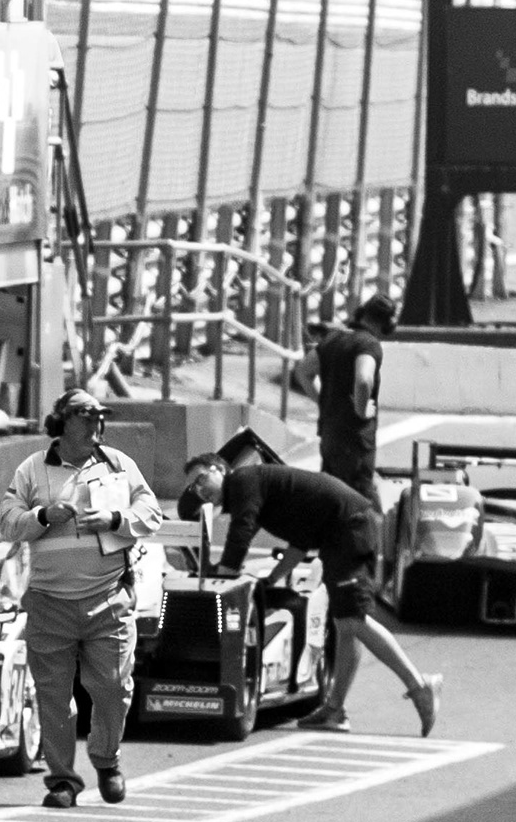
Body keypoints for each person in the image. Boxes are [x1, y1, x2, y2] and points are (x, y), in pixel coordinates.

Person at [181, 455, 439, 735]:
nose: (200, 489)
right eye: (194, 488)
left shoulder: (243, 481)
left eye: (201, 478)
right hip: (341, 530)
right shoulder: (254, 490)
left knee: (353, 620)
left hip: (348, 527)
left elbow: (241, 532)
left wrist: (225, 572)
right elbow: (300, 541)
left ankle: (418, 685)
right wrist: (274, 577)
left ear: (220, 469)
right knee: (345, 625)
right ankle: (335, 710)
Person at [0, 391, 163, 809]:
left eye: (99, 418)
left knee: (111, 688)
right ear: (62, 422)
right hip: (49, 601)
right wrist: (42, 517)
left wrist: (115, 520)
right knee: (53, 696)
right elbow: (7, 523)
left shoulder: (119, 465)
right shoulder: (33, 469)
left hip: (108, 599)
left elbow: (152, 512)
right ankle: (62, 781)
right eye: (86, 418)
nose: (96, 427)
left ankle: (107, 760)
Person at [314, 297, 398, 496]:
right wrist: (361, 409)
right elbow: (363, 379)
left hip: (329, 435)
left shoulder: (334, 338)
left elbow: (303, 371)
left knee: (330, 496)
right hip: (355, 440)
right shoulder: (369, 344)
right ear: (386, 323)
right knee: (357, 503)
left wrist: (323, 399)